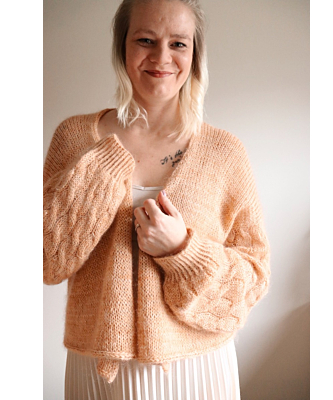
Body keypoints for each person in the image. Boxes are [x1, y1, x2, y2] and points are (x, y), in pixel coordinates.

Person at [43, 0, 270, 398]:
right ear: (122, 46)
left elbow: (254, 279)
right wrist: (102, 166)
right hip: (98, 368)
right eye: (145, 40)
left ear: (195, 54)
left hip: (197, 368)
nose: (161, 57)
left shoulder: (224, 153)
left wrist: (183, 250)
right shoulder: (74, 139)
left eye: (178, 43)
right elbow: (46, 260)